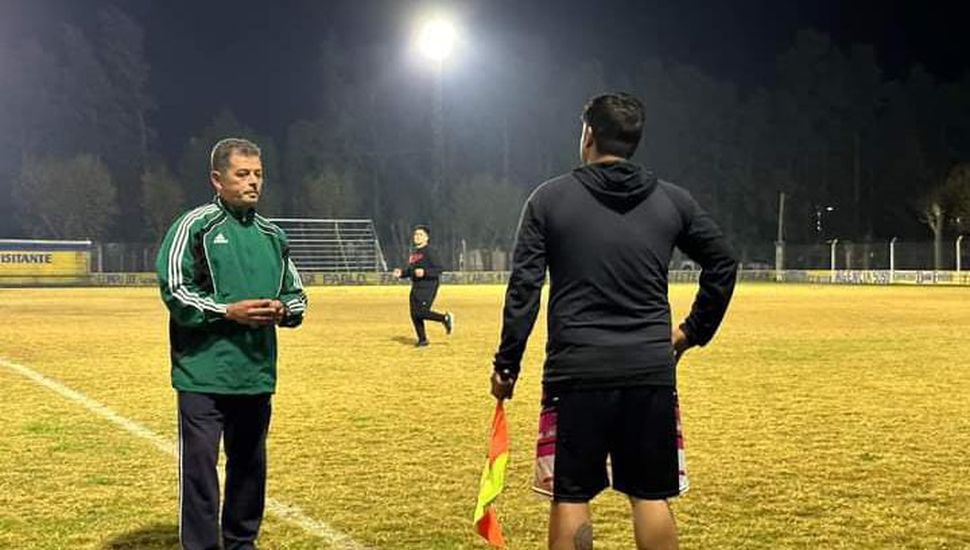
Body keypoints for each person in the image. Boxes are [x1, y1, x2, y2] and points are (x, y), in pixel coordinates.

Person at [490, 93, 738, 550]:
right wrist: (689, 333)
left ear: (587, 134)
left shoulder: (549, 200)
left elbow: (524, 289)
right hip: (649, 371)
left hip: (576, 373)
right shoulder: (673, 201)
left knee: (570, 495)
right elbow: (723, 262)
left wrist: (507, 365)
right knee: (650, 495)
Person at [155, 137, 308, 550]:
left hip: (255, 374)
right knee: (201, 471)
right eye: (243, 174)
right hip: (202, 374)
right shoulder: (194, 227)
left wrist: (282, 309)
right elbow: (174, 289)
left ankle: (241, 543)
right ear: (217, 179)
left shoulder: (273, 236)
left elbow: (298, 296)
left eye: (258, 174)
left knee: (249, 467)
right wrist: (227, 311)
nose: (253, 182)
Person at [392, 224, 454, 346]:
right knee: (414, 314)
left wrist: (425, 272)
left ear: (427, 238)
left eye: (420, 235)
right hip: (416, 286)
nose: (417, 237)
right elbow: (412, 271)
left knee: (421, 312)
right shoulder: (415, 253)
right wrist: (402, 273)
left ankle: (445, 318)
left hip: (428, 286)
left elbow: (440, 269)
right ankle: (422, 339)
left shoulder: (430, 252)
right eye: (416, 234)